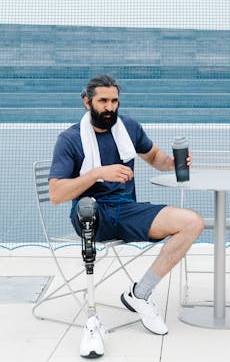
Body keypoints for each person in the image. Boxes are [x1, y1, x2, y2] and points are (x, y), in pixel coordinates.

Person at [48, 73, 204, 340]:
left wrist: (173, 163)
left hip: (126, 210)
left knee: (192, 222)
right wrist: (97, 173)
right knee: (88, 210)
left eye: (114, 101)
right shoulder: (70, 139)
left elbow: (154, 156)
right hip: (91, 213)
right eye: (103, 101)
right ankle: (93, 321)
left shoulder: (128, 128)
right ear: (87, 102)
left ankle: (139, 294)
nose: (110, 108)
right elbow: (56, 194)